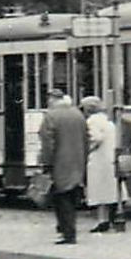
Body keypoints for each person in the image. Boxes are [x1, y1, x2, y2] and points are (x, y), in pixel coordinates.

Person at [39, 90, 89, 245]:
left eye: (49, 99)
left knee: (61, 199)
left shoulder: (51, 116)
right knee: (72, 197)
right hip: (77, 162)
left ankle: (67, 233)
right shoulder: (78, 115)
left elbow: (48, 143)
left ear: (53, 100)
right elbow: (86, 139)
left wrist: (46, 163)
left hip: (59, 164)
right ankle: (69, 231)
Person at [81, 96, 120, 234]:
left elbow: (96, 138)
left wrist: (88, 148)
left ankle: (102, 220)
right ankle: (110, 219)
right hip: (109, 158)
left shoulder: (92, 121)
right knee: (109, 191)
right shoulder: (107, 120)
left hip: (99, 159)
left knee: (98, 191)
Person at [113, 104, 131, 219]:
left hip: (125, 154)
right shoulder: (110, 125)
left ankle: (128, 199)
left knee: (127, 177)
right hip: (114, 156)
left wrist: (130, 151)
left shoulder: (129, 124)